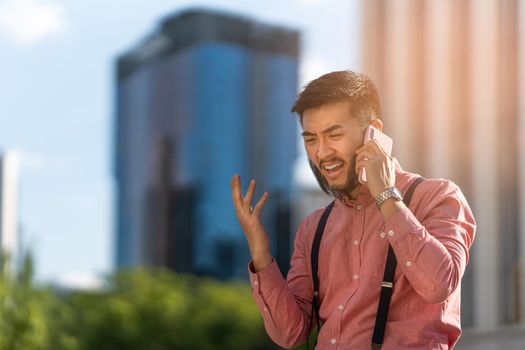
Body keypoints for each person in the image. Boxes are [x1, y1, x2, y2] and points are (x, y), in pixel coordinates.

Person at [231, 70, 476, 349]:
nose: (321, 153)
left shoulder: (437, 197)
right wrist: (261, 253)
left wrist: (385, 194)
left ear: (374, 132)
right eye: (311, 139)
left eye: (334, 134)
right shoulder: (313, 228)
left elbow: (438, 285)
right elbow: (290, 334)